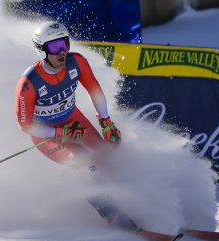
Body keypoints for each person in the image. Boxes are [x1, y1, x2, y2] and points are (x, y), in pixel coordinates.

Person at [15, 21, 135, 229]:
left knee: (106, 155)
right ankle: (109, 210)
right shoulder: (28, 83)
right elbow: (25, 125)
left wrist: (106, 123)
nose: (62, 52)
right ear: (41, 51)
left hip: (73, 120)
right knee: (82, 159)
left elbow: (94, 90)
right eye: (54, 47)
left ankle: (128, 201)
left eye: (65, 44)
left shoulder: (76, 62)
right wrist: (58, 132)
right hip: (46, 133)